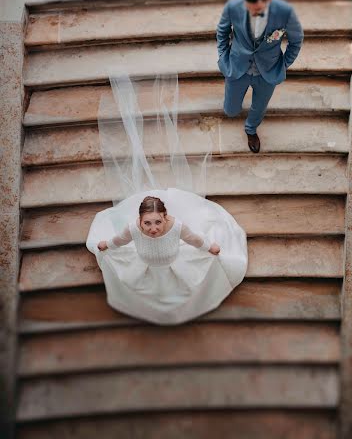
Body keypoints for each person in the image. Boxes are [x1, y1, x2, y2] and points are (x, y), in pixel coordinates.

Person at [86, 73, 248, 325]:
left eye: (157, 222)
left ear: (165, 217)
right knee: (139, 285)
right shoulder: (135, 229)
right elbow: (119, 240)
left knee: (189, 283)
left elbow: (195, 239)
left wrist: (210, 248)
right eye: (147, 223)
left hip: (174, 264)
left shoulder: (176, 228)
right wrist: (107, 245)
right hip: (146, 267)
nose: (152, 228)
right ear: (140, 220)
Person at [216, 0, 304, 153]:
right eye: (249, 9)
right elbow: (222, 32)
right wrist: (223, 57)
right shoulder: (233, 6)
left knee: (260, 106)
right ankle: (234, 109)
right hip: (237, 66)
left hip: (268, 71)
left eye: (256, 10)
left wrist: (283, 64)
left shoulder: (285, 11)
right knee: (231, 110)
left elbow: (296, 40)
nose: (252, 13)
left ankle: (251, 129)